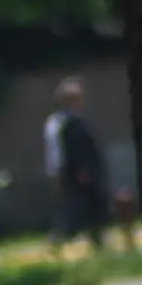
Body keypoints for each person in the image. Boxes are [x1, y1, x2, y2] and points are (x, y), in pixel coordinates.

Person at [44, 77, 108, 250]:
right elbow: (61, 152)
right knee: (74, 209)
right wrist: (75, 171)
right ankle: (57, 239)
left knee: (93, 207)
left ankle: (97, 240)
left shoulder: (77, 120)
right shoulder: (62, 123)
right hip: (76, 174)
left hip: (87, 173)